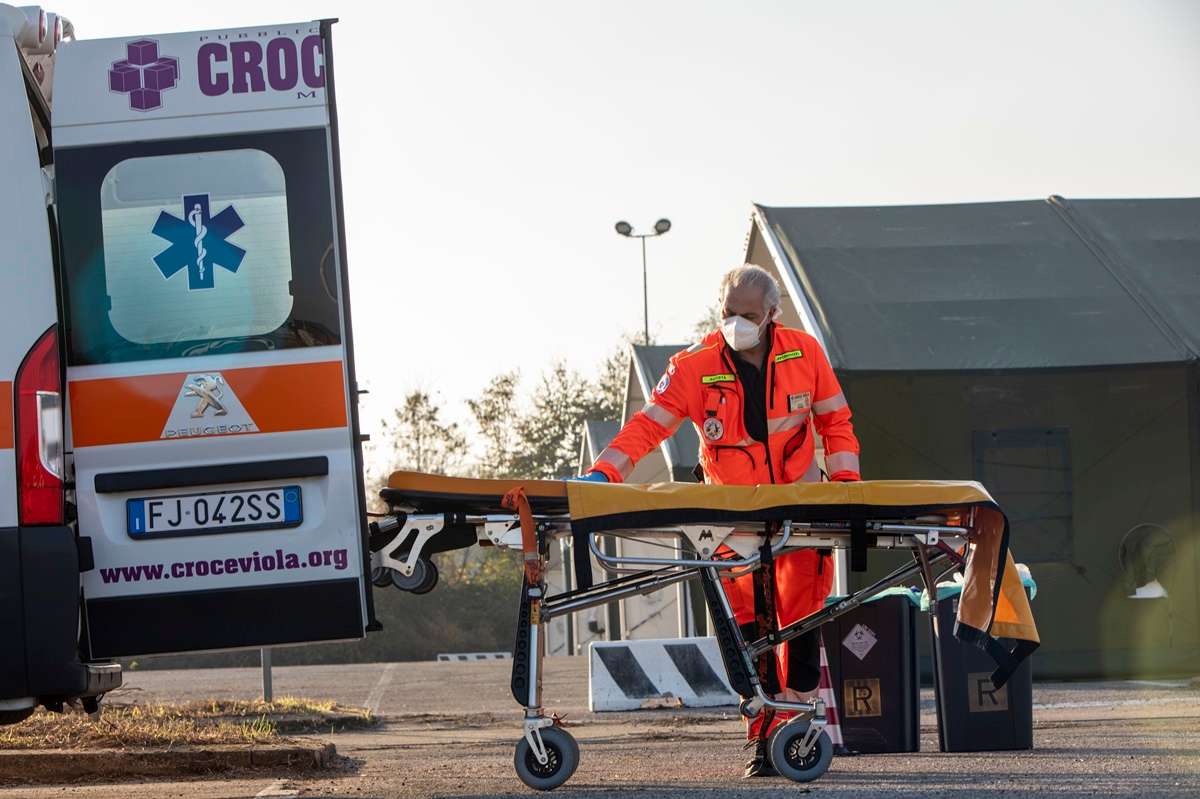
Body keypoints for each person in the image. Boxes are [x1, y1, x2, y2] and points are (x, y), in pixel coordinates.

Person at [580, 263, 861, 778]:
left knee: (800, 624)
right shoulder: (694, 367)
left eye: (748, 315)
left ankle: (795, 728)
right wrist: (604, 473)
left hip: (799, 517)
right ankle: (761, 736)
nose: (737, 323)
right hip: (731, 524)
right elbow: (649, 426)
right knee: (747, 631)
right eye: (729, 313)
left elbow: (836, 423)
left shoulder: (805, 354)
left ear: (772, 314)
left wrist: (843, 491)